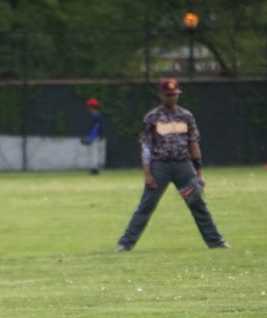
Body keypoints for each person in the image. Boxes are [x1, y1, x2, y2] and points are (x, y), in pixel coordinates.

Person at [115, 78, 229, 252]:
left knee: (198, 203)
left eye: (175, 95)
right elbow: (146, 147)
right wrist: (147, 174)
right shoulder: (152, 118)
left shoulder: (186, 116)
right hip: (160, 166)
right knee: (146, 205)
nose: (172, 98)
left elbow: (193, 142)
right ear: (161, 95)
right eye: (168, 95)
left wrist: (198, 172)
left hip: (183, 165)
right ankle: (125, 244)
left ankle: (216, 242)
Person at [83, 97, 103, 174]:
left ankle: (94, 169)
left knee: (94, 152)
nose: (88, 108)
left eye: (89, 106)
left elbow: (96, 128)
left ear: (92, 107)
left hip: (95, 136)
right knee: (93, 152)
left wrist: (90, 137)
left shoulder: (95, 115)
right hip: (95, 136)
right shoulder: (96, 115)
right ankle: (94, 168)